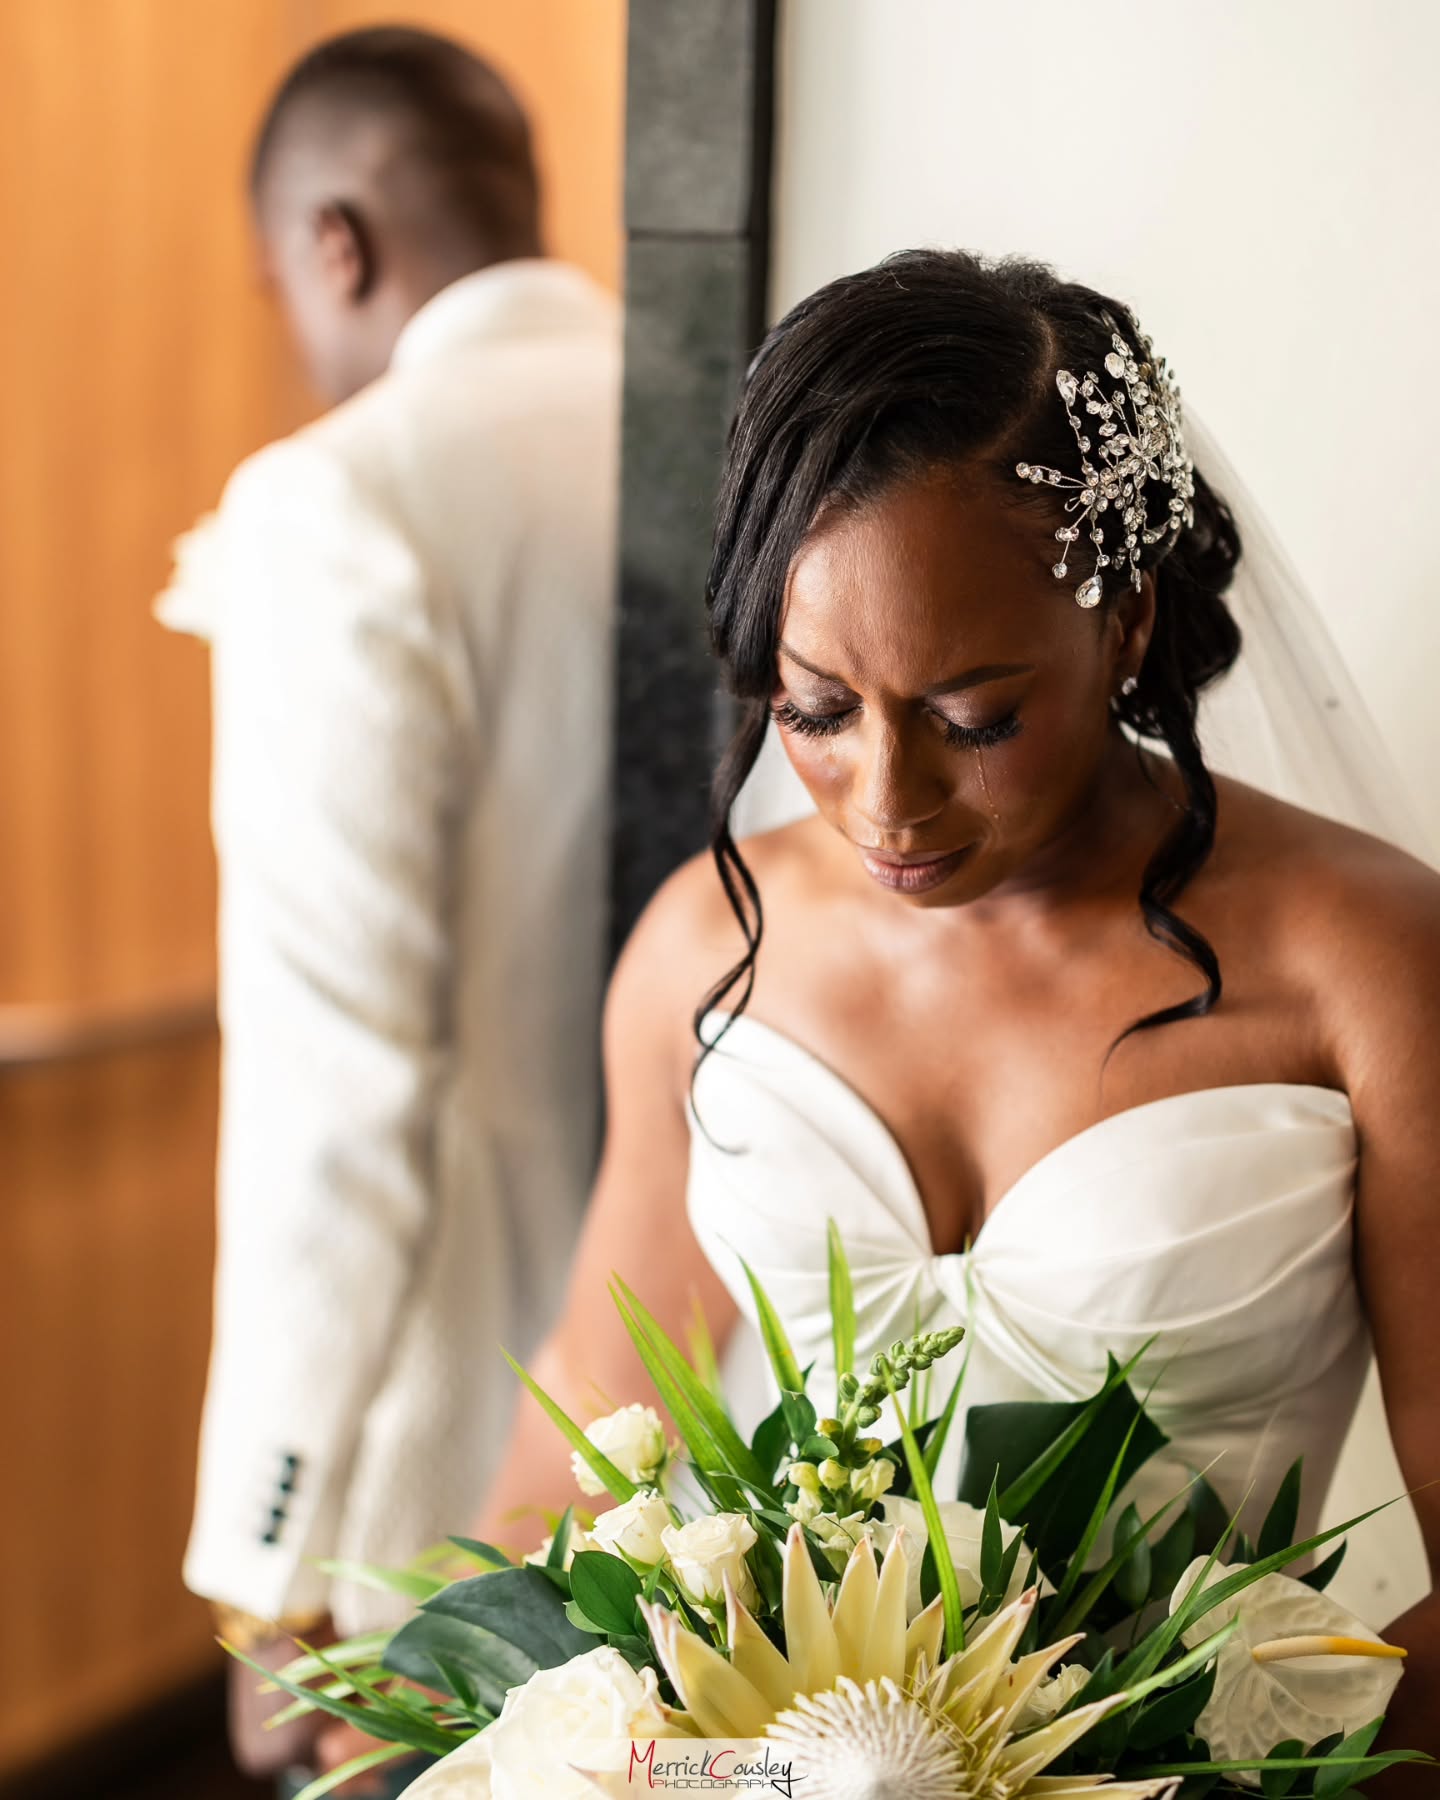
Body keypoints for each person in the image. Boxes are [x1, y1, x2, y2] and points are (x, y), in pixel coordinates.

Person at [440, 249, 1439, 1774]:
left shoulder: (1364, 956)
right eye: (817, 711)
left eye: (975, 718)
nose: (888, 804)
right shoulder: (705, 950)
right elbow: (584, 1450)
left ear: (1126, 625)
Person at [157, 26, 621, 1783]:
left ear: (334, 242)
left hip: (445, 1444)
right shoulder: (708, 415)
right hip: (713, 1396)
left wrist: (271, 1562)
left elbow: (336, 1082)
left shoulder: (343, 501)